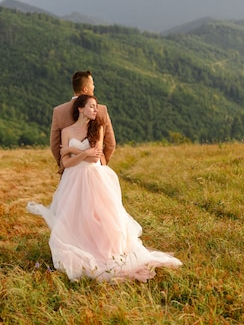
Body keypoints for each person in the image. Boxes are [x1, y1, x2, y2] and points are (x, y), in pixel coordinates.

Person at [27, 94, 182, 282]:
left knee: (100, 216)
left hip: (94, 177)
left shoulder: (97, 128)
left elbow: (94, 158)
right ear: (80, 109)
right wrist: (81, 152)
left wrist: (73, 150)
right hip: (73, 178)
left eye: (96, 106)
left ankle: (106, 251)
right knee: (77, 218)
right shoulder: (67, 131)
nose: (95, 109)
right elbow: (66, 163)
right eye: (92, 106)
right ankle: (82, 247)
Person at [50, 70, 115, 172]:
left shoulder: (59, 111)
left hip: (70, 170)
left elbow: (55, 145)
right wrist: (102, 163)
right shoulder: (101, 110)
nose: (94, 87)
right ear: (85, 89)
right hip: (96, 168)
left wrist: (64, 164)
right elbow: (110, 143)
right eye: (92, 84)